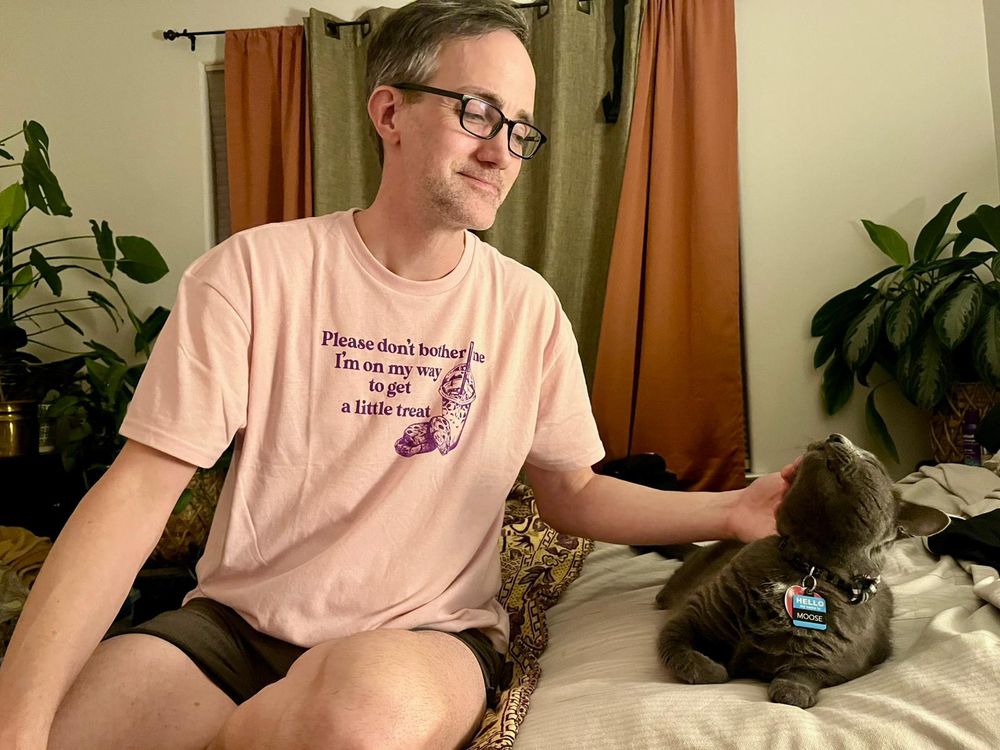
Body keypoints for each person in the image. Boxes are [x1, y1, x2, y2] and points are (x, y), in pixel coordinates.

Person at [0, 2, 798, 748]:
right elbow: (139, 492)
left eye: (520, 129)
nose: (501, 150)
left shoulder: (526, 309)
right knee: (66, 726)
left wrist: (733, 511)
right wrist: (19, 727)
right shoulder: (252, 272)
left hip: (423, 639)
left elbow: (574, 494)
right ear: (390, 113)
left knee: (359, 715)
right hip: (232, 627)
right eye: (477, 112)